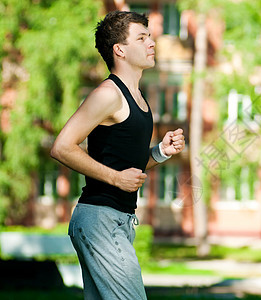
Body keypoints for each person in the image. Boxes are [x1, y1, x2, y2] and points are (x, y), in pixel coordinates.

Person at [50, 10, 185, 300]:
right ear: (119, 50)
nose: (152, 43)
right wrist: (115, 178)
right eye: (142, 38)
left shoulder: (138, 97)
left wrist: (161, 152)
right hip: (100, 220)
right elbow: (62, 147)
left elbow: (127, 166)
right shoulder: (109, 94)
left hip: (119, 222)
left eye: (149, 37)